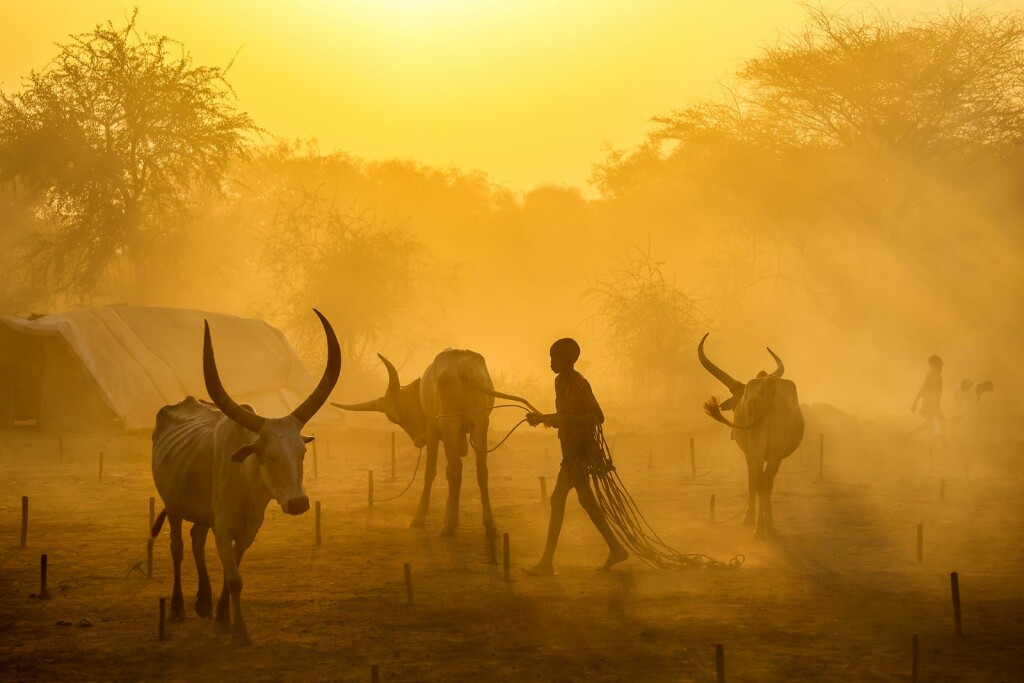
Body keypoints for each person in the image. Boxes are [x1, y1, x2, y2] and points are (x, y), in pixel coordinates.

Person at [523, 338, 628, 575]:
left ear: (567, 360)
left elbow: (598, 416)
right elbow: (563, 416)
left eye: (554, 358)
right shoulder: (560, 382)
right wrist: (541, 419)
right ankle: (616, 549)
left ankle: (546, 563)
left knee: (556, 500)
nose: (550, 362)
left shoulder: (581, 385)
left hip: (578, 453)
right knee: (586, 501)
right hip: (568, 450)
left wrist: (566, 420)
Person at [911, 355, 945, 437]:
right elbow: (923, 387)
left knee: (931, 423)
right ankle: (942, 442)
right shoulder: (932, 374)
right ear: (936, 365)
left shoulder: (936, 374)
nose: (941, 369)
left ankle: (909, 436)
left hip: (935, 403)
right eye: (940, 366)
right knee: (940, 421)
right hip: (932, 404)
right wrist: (915, 403)